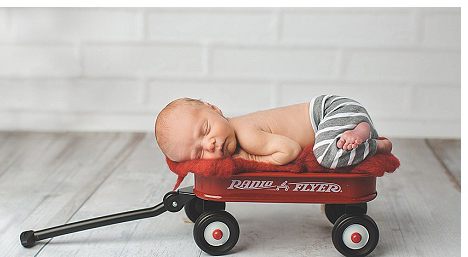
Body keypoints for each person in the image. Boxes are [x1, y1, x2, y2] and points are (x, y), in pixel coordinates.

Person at [154, 95, 392, 169]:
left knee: (325, 155)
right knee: (332, 144)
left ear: (215, 109)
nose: (210, 144)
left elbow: (291, 150)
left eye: (205, 130)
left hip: (331, 111)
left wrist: (253, 158)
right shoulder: (236, 129)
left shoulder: (247, 135)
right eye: (198, 153)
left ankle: (372, 142)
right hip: (334, 115)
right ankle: (358, 129)